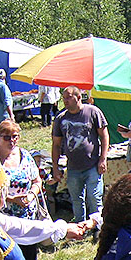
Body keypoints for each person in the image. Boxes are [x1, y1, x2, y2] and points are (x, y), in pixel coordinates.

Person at [0, 120, 50, 260]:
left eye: (15, 137)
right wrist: (10, 198)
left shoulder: (25, 155)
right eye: (7, 137)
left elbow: (37, 181)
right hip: (2, 218)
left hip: (26, 217)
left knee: (29, 258)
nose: (12, 141)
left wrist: (31, 195)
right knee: (8, 259)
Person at [51, 85, 109, 222]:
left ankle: (98, 227)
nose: (65, 101)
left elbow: (105, 136)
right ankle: (80, 226)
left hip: (92, 165)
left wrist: (103, 158)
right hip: (73, 167)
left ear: (78, 98)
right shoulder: (60, 118)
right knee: (76, 200)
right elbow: (56, 145)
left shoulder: (93, 112)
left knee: (94, 198)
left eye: (69, 98)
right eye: (63, 98)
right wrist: (55, 167)